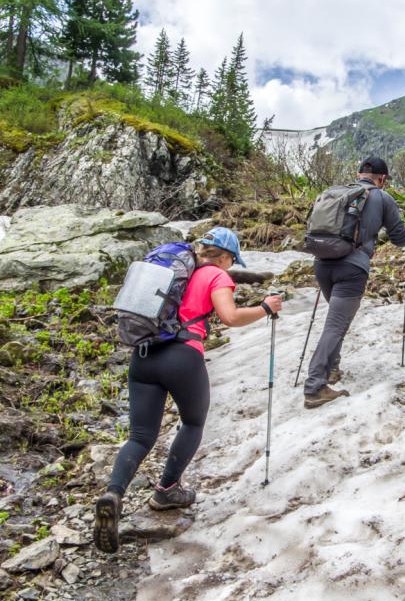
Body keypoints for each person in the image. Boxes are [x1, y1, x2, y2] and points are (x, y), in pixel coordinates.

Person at [93, 226, 282, 553]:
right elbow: (230, 316)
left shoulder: (175, 270)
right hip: (182, 357)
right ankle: (167, 489)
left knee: (140, 436)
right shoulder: (215, 275)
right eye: (231, 260)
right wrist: (266, 308)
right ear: (224, 257)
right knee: (193, 422)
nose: (230, 266)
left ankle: (114, 493)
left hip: (144, 355)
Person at [303, 156, 405, 409]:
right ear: (382, 178)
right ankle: (315, 387)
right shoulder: (382, 198)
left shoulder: (337, 193)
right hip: (352, 269)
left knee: (336, 322)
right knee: (336, 325)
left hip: (322, 263)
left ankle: (332, 369)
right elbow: (399, 239)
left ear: (358, 174)